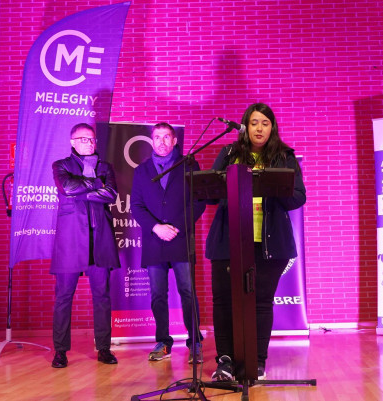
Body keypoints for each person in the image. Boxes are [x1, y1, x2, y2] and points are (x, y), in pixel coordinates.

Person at [206, 103, 306, 381]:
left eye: (264, 122)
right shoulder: (229, 153)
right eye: (253, 123)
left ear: (272, 126)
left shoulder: (284, 156)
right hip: (228, 241)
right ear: (245, 127)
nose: (259, 128)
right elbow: (211, 194)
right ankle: (225, 362)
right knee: (224, 302)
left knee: (261, 303)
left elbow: (298, 197)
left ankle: (257, 362)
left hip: (269, 244)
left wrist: (274, 187)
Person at [131, 122, 206, 363]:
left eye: (167, 137)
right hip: (154, 241)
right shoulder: (141, 171)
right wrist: (156, 227)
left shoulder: (189, 164)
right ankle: (163, 341)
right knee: (157, 294)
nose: (162, 141)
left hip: (180, 238)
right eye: (157, 137)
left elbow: (199, 200)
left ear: (175, 141)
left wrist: (176, 228)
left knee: (187, 291)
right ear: (151, 141)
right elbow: (136, 206)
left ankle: (194, 341)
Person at [50, 123, 120, 368]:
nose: (88, 144)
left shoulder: (105, 167)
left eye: (91, 140)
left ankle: (103, 348)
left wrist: (85, 188)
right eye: (83, 139)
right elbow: (67, 187)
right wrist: (95, 185)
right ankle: (60, 351)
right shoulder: (60, 165)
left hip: (100, 239)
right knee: (63, 297)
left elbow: (111, 195)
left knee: (102, 297)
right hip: (70, 242)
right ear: (72, 142)